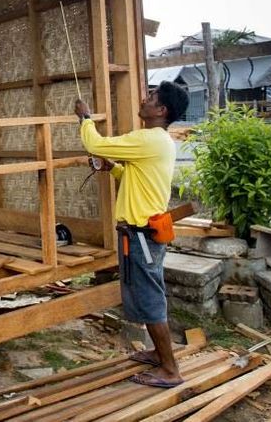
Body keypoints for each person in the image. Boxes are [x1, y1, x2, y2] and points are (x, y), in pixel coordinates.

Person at [74, 81, 190, 388]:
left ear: (161, 110)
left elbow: (95, 144)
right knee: (146, 295)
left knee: (150, 300)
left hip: (142, 235)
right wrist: (112, 169)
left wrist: (85, 119)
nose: (144, 99)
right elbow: (134, 178)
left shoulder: (149, 139)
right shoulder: (158, 142)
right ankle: (158, 355)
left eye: (151, 97)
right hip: (141, 233)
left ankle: (170, 369)